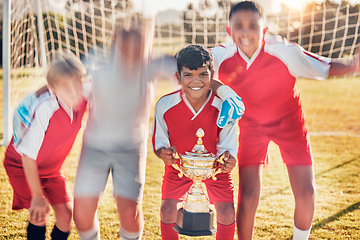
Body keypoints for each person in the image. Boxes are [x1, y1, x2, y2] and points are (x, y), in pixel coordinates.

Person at [210, 1, 360, 240]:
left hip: (290, 125)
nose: (246, 32)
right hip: (252, 128)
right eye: (239, 26)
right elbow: (193, 64)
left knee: (307, 193)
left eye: (253, 26)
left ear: (265, 30)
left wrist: (353, 64)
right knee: (247, 196)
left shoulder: (284, 51)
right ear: (229, 31)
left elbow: (323, 66)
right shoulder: (221, 56)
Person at [151, 44, 238, 240]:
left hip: (214, 168)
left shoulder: (223, 106)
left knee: (226, 212)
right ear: (178, 77)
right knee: (167, 209)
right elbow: (159, 144)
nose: (196, 81)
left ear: (212, 75)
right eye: (188, 75)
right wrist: (163, 153)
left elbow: (228, 148)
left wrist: (227, 160)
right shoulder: (165, 105)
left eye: (202, 75)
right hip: (179, 167)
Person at [3, 51, 88, 240]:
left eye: (77, 84)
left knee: (66, 217)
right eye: (65, 87)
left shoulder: (84, 96)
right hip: (22, 166)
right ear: (53, 89)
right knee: (40, 213)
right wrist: (37, 196)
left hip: (51, 169)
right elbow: (28, 156)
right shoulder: (45, 109)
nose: (74, 92)